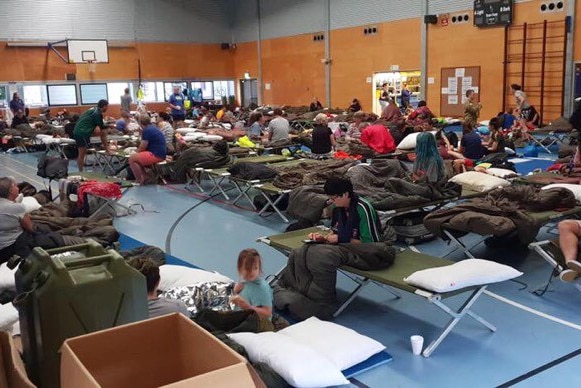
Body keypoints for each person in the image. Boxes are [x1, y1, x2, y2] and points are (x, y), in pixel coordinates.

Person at [308, 177, 381, 244]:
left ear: (345, 194)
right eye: (330, 198)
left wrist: (341, 239)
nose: (332, 201)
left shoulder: (363, 209)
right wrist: (323, 239)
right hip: (343, 247)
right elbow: (335, 232)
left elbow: (371, 243)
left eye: (333, 198)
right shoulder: (338, 208)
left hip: (361, 252)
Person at [231, 248, 273, 324]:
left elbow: (267, 313)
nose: (252, 272)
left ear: (259, 269)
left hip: (260, 323)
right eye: (248, 268)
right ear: (240, 269)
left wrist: (248, 307)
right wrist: (236, 291)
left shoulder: (262, 287)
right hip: (242, 318)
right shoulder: (243, 282)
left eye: (255, 268)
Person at [73, 99, 111, 172]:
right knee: (82, 153)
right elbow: (102, 128)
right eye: (107, 106)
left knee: (82, 153)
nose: (107, 108)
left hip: (80, 131)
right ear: (104, 106)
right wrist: (109, 126)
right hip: (81, 132)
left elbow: (100, 126)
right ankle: (81, 172)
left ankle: (81, 171)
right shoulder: (97, 113)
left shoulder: (94, 109)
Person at [128, 114, 167, 185]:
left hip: (156, 154)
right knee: (137, 158)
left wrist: (133, 152)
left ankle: (139, 180)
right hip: (160, 153)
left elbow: (142, 147)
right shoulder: (153, 128)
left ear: (140, 123)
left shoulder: (147, 130)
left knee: (132, 159)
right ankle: (145, 176)